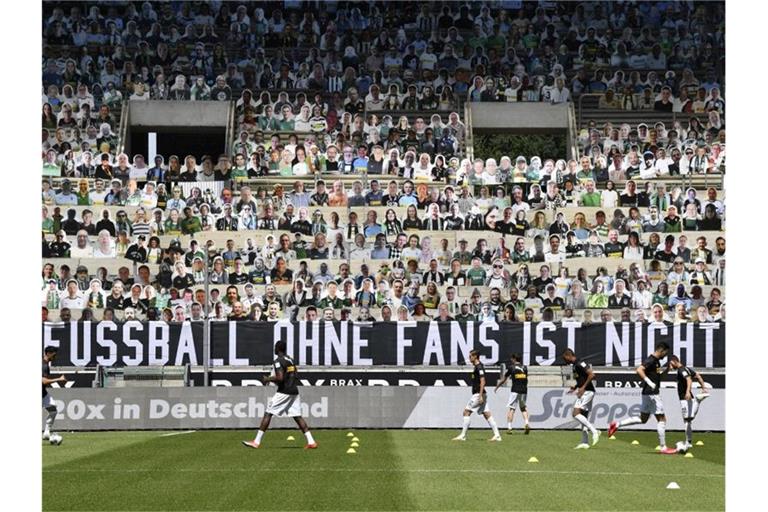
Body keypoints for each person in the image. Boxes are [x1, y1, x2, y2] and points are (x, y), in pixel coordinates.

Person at [242, 341, 317, 450]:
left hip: (284, 392)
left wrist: (268, 379)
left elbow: (280, 377)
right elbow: (295, 374)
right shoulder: (290, 359)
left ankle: (256, 441)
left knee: (268, 413)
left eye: (275, 348)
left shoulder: (278, 361)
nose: (274, 349)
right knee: (297, 416)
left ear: (278, 349)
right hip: (293, 390)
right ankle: (311, 441)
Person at [607, 342, 677, 454]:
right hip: (652, 393)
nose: (666, 355)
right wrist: (649, 382)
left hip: (647, 393)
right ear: (662, 350)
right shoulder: (651, 360)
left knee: (643, 419)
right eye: (666, 353)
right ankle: (663, 447)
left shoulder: (656, 362)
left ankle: (617, 424)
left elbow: (659, 378)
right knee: (662, 419)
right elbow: (639, 370)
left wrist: (668, 370)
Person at [452, 350, 502, 442]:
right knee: (487, 414)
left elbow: (483, 381)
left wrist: (480, 395)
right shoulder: (477, 367)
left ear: (475, 356)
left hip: (478, 394)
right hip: (481, 393)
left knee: (466, 412)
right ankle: (497, 435)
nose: (469, 358)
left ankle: (462, 436)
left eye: (470, 356)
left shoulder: (479, 367)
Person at [668, 355, 710, 451]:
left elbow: (689, 380)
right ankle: (689, 441)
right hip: (687, 398)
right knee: (689, 420)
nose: (670, 367)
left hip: (684, 398)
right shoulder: (686, 368)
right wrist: (703, 387)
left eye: (670, 364)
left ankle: (688, 442)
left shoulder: (681, 370)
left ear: (674, 361)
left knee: (687, 420)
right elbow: (698, 376)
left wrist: (687, 391)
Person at [562, 348, 600, 449]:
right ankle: (585, 442)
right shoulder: (574, 366)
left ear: (568, 356)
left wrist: (583, 388)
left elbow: (592, 375)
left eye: (564, 358)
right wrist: (575, 387)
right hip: (586, 391)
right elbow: (581, 379)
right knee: (583, 416)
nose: (564, 361)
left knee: (575, 413)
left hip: (587, 391)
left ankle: (595, 431)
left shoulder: (580, 363)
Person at [494, 353, 530, 435]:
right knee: (523, 408)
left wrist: (497, 386)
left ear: (514, 359)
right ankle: (527, 423)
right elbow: (526, 379)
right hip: (524, 390)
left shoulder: (511, 367)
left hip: (515, 390)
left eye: (511, 358)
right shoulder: (525, 367)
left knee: (512, 409)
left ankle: (509, 428)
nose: (511, 360)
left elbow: (504, 379)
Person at [42, 346, 66, 443]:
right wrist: (59, 379)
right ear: (48, 353)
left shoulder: (46, 364)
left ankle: (46, 432)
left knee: (53, 410)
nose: (55, 357)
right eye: (54, 355)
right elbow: (43, 381)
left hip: (43, 393)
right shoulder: (43, 365)